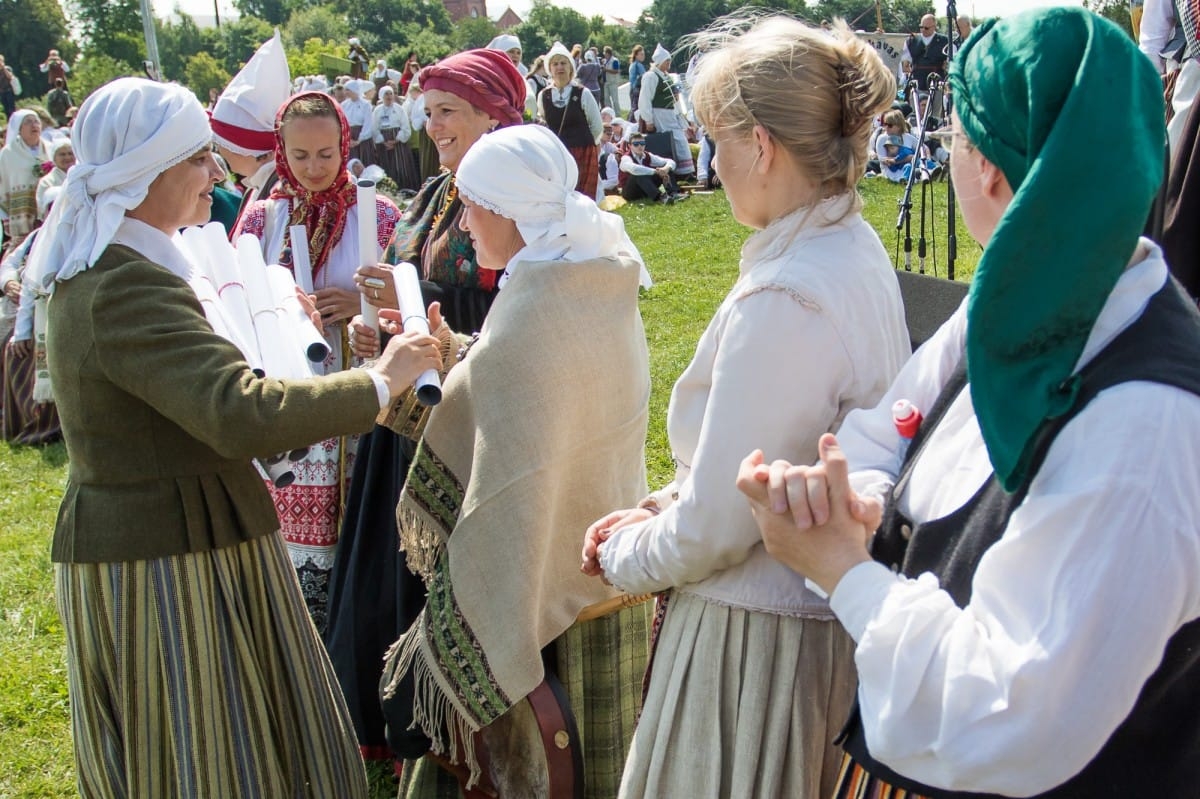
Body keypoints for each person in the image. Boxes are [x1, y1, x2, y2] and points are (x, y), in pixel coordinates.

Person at [737, 9, 1200, 798]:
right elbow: (889, 430)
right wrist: (861, 503)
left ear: (986, 169)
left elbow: (1006, 716)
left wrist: (846, 570)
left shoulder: (1145, 423)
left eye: (954, 135)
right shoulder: (1019, 299)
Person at [29, 76, 441, 799]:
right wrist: (382, 379)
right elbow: (236, 410)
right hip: (157, 556)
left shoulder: (130, 264)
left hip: (190, 531)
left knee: (235, 741)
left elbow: (206, 387)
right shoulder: (122, 282)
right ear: (143, 171)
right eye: (196, 159)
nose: (213, 174)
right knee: (198, 754)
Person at [581, 15, 909, 799]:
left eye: (716, 138)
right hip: (804, 629)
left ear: (760, 146)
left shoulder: (789, 294)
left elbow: (722, 525)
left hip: (757, 649)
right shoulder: (844, 248)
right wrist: (661, 502)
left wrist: (619, 559)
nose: (711, 160)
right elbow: (752, 459)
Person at [378, 122, 653, 799]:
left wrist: (437, 367)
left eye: (469, 205)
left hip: (547, 610)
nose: (461, 223)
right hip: (607, 589)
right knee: (599, 773)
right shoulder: (592, 271)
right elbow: (521, 396)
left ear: (507, 209)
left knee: (535, 776)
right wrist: (451, 357)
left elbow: (516, 403)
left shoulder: (537, 303)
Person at [320, 47, 527, 795]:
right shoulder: (434, 189)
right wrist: (383, 318)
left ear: (494, 115)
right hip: (408, 398)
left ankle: (438, 712)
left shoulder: (514, 195)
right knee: (387, 552)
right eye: (428, 109)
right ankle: (385, 713)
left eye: (448, 110)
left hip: (464, 393)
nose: (431, 123)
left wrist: (430, 318)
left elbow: (510, 306)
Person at [234, 91, 402, 629]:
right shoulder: (263, 219)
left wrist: (360, 303)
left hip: (358, 367)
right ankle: (287, 610)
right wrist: (284, 309)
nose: (313, 168)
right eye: (300, 156)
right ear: (280, 150)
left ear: (343, 145)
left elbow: (400, 289)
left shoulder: (376, 213)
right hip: (286, 372)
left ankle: (347, 610)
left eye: (326, 155)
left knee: (351, 496)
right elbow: (237, 295)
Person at [210, 31, 291, 231]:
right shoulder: (258, 186)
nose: (218, 151)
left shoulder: (281, 196)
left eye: (222, 144)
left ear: (246, 149)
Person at [539, 42, 603, 197]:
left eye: (563, 63)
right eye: (555, 64)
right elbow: (543, 121)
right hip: (557, 154)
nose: (559, 67)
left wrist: (588, 145)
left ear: (571, 67)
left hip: (582, 151)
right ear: (550, 69)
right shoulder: (544, 95)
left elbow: (596, 126)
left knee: (583, 196)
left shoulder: (583, 93)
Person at [638, 43, 696, 179]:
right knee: (668, 142)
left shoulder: (666, 76)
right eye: (666, 61)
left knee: (680, 140)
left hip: (670, 114)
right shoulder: (651, 76)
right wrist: (649, 120)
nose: (669, 63)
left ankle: (684, 171)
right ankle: (676, 172)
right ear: (659, 62)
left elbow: (674, 98)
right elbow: (645, 99)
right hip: (658, 114)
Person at [0, 110, 49, 244]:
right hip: (22, 214)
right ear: (19, 128)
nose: (34, 125)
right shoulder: (7, 155)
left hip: (48, 211)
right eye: (28, 122)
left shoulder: (50, 149)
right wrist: (4, 217)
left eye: (36, 121)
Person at [619, 132, 687, 203]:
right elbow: (634, 169)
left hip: (645, 189)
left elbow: (671, 162)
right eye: (636, 144)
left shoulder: (648, 155)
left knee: (666, 168)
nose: (640, 146)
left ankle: (674, 193)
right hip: (631, 192)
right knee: (638, 174)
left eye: (642, 143)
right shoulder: (626, 158)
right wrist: (656, 171)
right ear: (630, 146)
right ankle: (660, 197)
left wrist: (665, 169)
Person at [903, 14, 949, 90]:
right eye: (921, 27)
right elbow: (905, 66)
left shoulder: (944, 41)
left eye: (926, 28)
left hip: (937, 83)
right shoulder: (911, 41)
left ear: (934, 27)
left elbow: (950, 63)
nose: (923, 30)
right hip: (916, 84)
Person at [628, 44, 646, 121]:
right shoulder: (638, 65)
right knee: (636, 109)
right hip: (637, 89)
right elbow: (644, 77)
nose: (643, 56)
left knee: (633, 107)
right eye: (641, 54)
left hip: (632, 89)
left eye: (643, 54)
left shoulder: (632, 64)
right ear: (636, 55)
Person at [602, 45, 622, 112]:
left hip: (613, 82)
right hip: (606, 82)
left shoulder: (614, 60)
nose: (604, 54)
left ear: (608, 53)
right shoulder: (605, 61)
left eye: (604, 52)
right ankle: (609, 114)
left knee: (615, 100)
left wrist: (606, 70)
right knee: (606, 100)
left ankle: (617, 114)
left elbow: (616, 71)